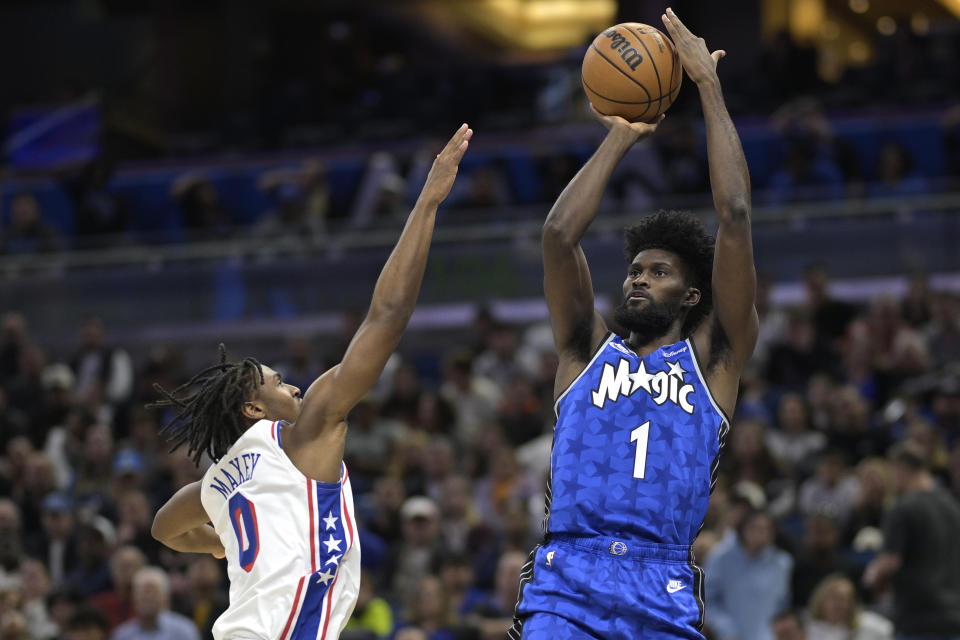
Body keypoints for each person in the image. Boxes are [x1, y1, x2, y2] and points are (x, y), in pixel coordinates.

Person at [148, 124, 473, 640]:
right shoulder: (302, 437)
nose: (296, 388)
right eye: (279, 384)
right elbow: (386, 316)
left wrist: (216, 542)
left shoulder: (214, 483)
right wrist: (428, 201)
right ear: (254, 410)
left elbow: (162, 527)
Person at [510, 9, 758, 639]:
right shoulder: (584, 349)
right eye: (635, 270)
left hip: (663, 581)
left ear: (692, 293)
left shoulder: (714, 362)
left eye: (659, 272)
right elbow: (559, 237)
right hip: (567, 577)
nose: (638, 279)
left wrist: (708, 87)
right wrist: (620, 136)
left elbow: (733, 214)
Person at [862, 442, 960, 639]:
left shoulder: (902, 508)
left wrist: (871, 576)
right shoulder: (952, 507)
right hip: (954, 619)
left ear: (901, 468)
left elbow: (890, 563)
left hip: (918, 620)